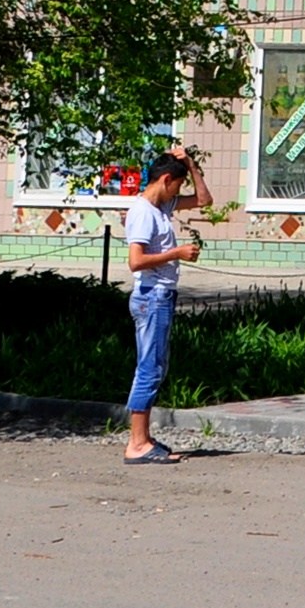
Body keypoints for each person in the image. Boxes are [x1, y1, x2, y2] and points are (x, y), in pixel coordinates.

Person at [121, 150, 202, 465]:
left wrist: (191, 165)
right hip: (151, 295)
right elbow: (136, 261)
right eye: (177, 186)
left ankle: (143, 438)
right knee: (149, 369)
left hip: (160, 295)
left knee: (155, 366)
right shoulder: (143, 212)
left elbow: (204, 200)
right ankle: (137, 443)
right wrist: (176, 253)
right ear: (166, 180)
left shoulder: (161, 206)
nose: (178, 194)